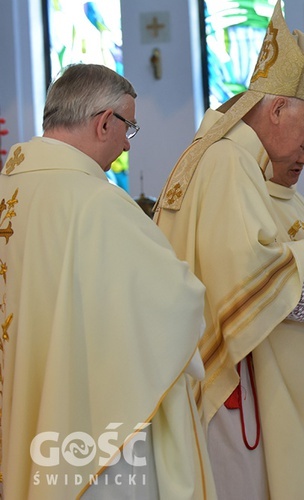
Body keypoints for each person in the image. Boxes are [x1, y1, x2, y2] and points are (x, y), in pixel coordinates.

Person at [153, 3, 304, 498]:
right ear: (275, 110)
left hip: (257, 374)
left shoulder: (235, 161)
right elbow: (241, 275)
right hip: (240, 384)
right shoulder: (228, 162)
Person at [0, 63, 216, 499]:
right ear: (104, 122)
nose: (125, 144)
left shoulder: (9, 189)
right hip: (85, 421)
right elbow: (177, 301)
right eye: (128, 127)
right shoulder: (96, 202)